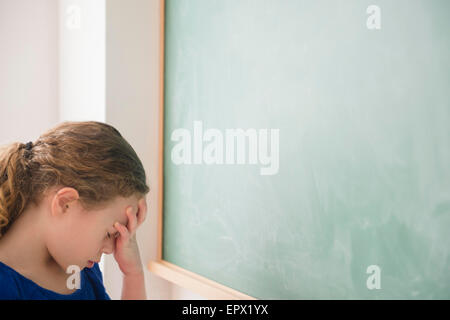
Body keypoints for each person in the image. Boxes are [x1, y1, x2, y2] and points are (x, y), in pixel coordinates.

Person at [0, 121, 149, 299]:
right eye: (109, 234)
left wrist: (133, 274)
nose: (112, 249)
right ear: (65, 203)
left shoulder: (81, 271)